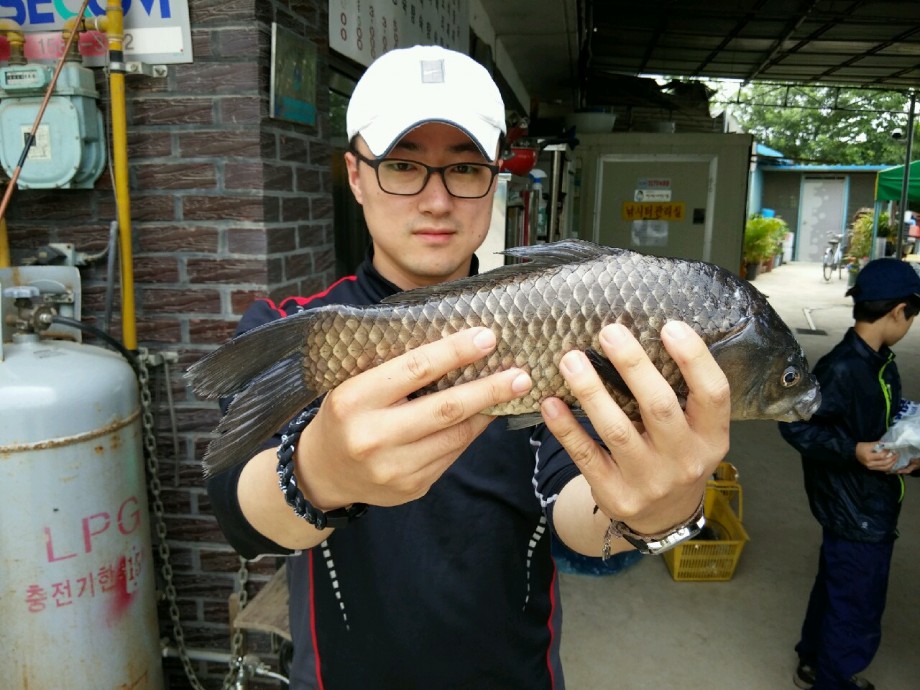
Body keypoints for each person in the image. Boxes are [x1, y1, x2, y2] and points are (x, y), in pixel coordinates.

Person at [207, 45, 730, 689]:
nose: (436, 201)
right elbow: (239, 515)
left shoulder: (558, 321)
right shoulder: (300, 330)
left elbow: (577, 512)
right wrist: (315, 474)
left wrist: (653, 511)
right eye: (403, 165)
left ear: (494, 178)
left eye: (465, 168)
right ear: (356, 175)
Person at [779, 258, 920, 690]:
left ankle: (813, 660)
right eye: (913, 315)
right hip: (857, 510)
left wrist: (908, 455)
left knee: (836, 589)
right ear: (898, 311)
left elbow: (879, 425)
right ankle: (834, 681)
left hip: (864, 502)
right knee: (857, 609)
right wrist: (852, 451)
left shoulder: (881, 362)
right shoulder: (843, 368)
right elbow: (795, 424)